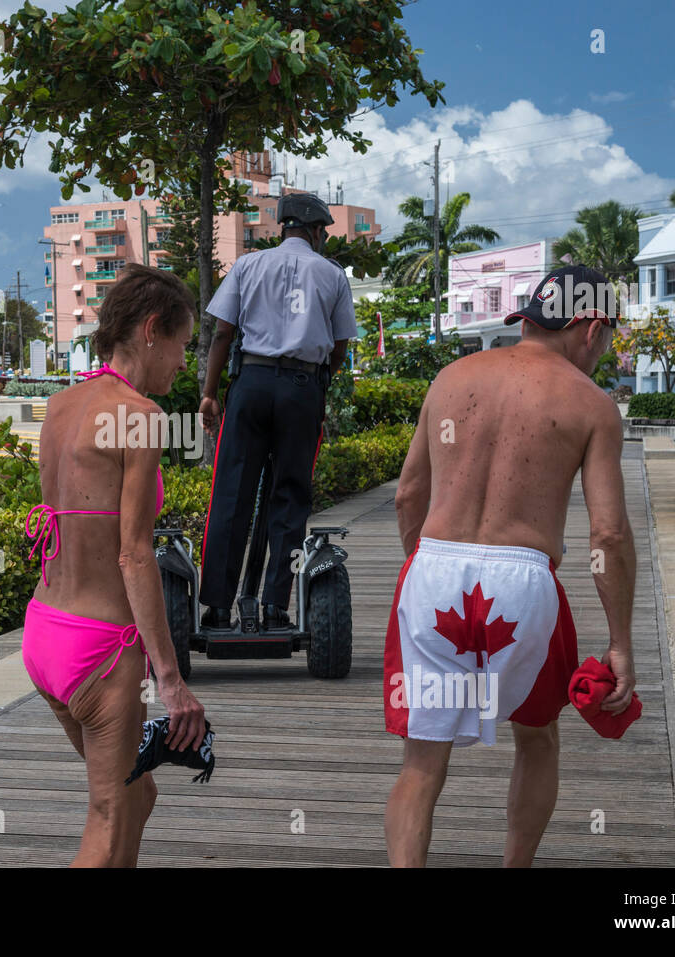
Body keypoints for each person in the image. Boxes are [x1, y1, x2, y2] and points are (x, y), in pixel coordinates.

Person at [384, 265, 638, 867]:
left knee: (423, 760)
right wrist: (621, 642)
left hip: (434, 570)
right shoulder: (592, 405)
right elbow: (607, 533)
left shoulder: (451, 377)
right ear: (591, 327)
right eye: (607, 340)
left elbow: (406, 496)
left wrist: (422, 572)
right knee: (538, 736)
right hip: (524, 579)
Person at [22, 262, 208, 867]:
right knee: (108, 811)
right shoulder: (141, 417)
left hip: (45, 633)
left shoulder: (58, 408)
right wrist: (172, 681)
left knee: (137, 793)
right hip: (100, 648)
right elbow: (133, 554)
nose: (184, 364)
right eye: (183, 346)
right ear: (152, 330)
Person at [197, 192, 356, 629]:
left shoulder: (248, 266)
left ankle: (215, 608)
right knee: (290, 496)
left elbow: (222, 334)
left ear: (282, 227)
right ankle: (274, 606)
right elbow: (339, 346)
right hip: (302, 388)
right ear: (317, 231)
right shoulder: (331, 274)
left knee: (232, 492)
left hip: (251, 382)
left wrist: (210, 393)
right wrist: (317, 384)